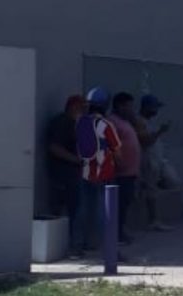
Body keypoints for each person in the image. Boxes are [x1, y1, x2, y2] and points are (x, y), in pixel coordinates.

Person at [73, 87, 121, 259]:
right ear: (105, 106)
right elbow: (117, 149)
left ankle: (77, 249)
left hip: (84, 173)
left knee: (82, 211)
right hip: (103, 175)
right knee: (105, 213)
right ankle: (110, 251)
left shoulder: (81, 122)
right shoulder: (106, 125)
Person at [47, 95, 86, 257]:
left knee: (74, 210)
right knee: (69, 211)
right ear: (74, 106)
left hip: (73, 174)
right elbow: (54, 147)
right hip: (64, 174)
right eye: (83, 107)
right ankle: (70, 247)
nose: (85, 111)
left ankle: (73, 245)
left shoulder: (74, 123)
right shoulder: (62, 123)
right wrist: (78, 161)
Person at [133, 94, 173, 231]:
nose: (156, 111)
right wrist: (160, 131)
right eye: (154, 108)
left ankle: (153, 218)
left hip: (157, 160)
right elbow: (145, 141)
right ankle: (153, 220)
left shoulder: (150, 121)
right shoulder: (140, 121)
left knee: (171, 182)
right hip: (148, 161)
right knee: (151, 190)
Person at [108, 92, 143, 245]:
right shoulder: (113, 121)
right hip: (120, 172)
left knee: (125, 204)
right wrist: (118, 162)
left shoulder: (126, 122)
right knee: (119, 205)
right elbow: (111, 145)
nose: (131, 109)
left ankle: (120, 232)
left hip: (130, 171)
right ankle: (115, 235)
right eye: (128, 106)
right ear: (119, 106)